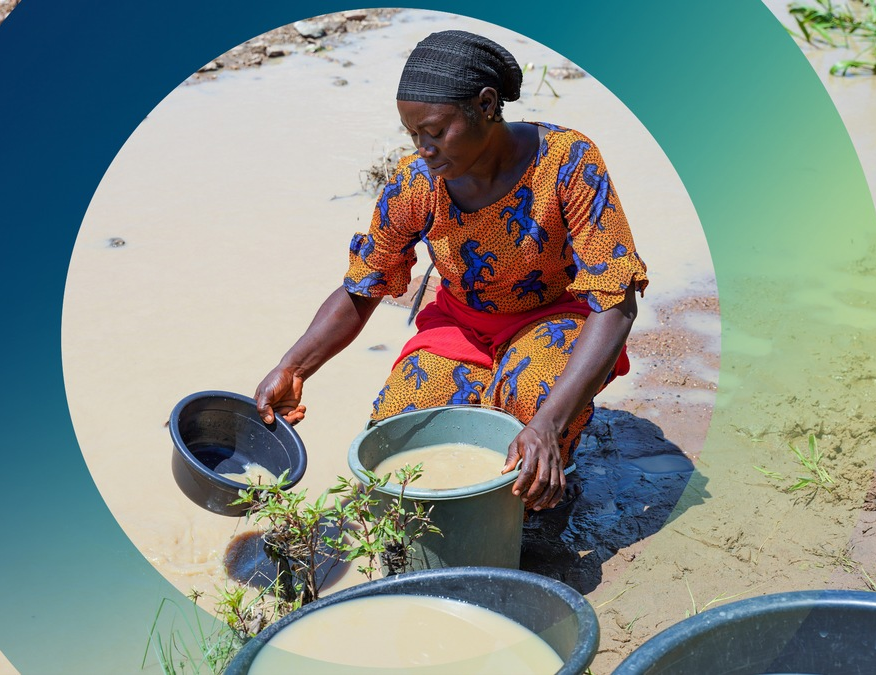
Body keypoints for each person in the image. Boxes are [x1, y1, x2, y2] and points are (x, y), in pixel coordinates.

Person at [255, 30, 647, 512]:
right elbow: (363, 286)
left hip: (555, 319)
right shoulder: (416, 183)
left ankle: (530, 508)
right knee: (400, 440)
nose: (424, 147)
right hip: (462, 324)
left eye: (437, 132)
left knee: (531, 405)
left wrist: (547, 424)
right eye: (413, 134)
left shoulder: (567, 162)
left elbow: (615, 300)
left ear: (486, 105)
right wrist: (293, 368)